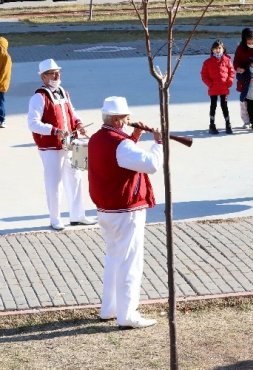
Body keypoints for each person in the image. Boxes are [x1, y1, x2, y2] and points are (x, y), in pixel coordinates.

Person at [88, 96, 162, 328]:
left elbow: (119, 159)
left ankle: (109, 308)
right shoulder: (121, 144)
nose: (129, 120)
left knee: (113, 258)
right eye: (126, 117)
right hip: (125, 211)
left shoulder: (97, 138)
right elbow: (150, 164)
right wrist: (158, 143)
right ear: (118, 120)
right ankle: (128, 314)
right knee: (130, 261)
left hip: (107, 210)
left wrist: (135, 136)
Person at [27, 59, 96, 230]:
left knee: (76, 179)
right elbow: (32, 123)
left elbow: (72, 112)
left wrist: (78, 124)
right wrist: (54, 130)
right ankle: (55, 218)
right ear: (43, 77)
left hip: (70, 143)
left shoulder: (63, 92)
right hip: (51, 147)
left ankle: (77, 215)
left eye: (58, 72)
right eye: (52, 73)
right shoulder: (39, 97)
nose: (57, 75)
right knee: (54, 182)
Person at [200, 40, 235, 135]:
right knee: (213, 106)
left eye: (219, 48)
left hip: (224, 87)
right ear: (212, 50)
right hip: (213, 88)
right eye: (216, 48)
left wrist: (229, 82)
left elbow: (231, 72)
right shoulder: (207, 62)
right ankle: (212, 124)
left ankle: (228, 124)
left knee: (224, 106)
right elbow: (204, 75)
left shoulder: (227, 60)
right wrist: (210, 84)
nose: (218, 50)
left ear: (223, 49)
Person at [0, 36, 11, 128]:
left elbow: (5, 73)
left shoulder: (6, 58)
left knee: (0, 103)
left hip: (1, 85)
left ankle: (2, 119)